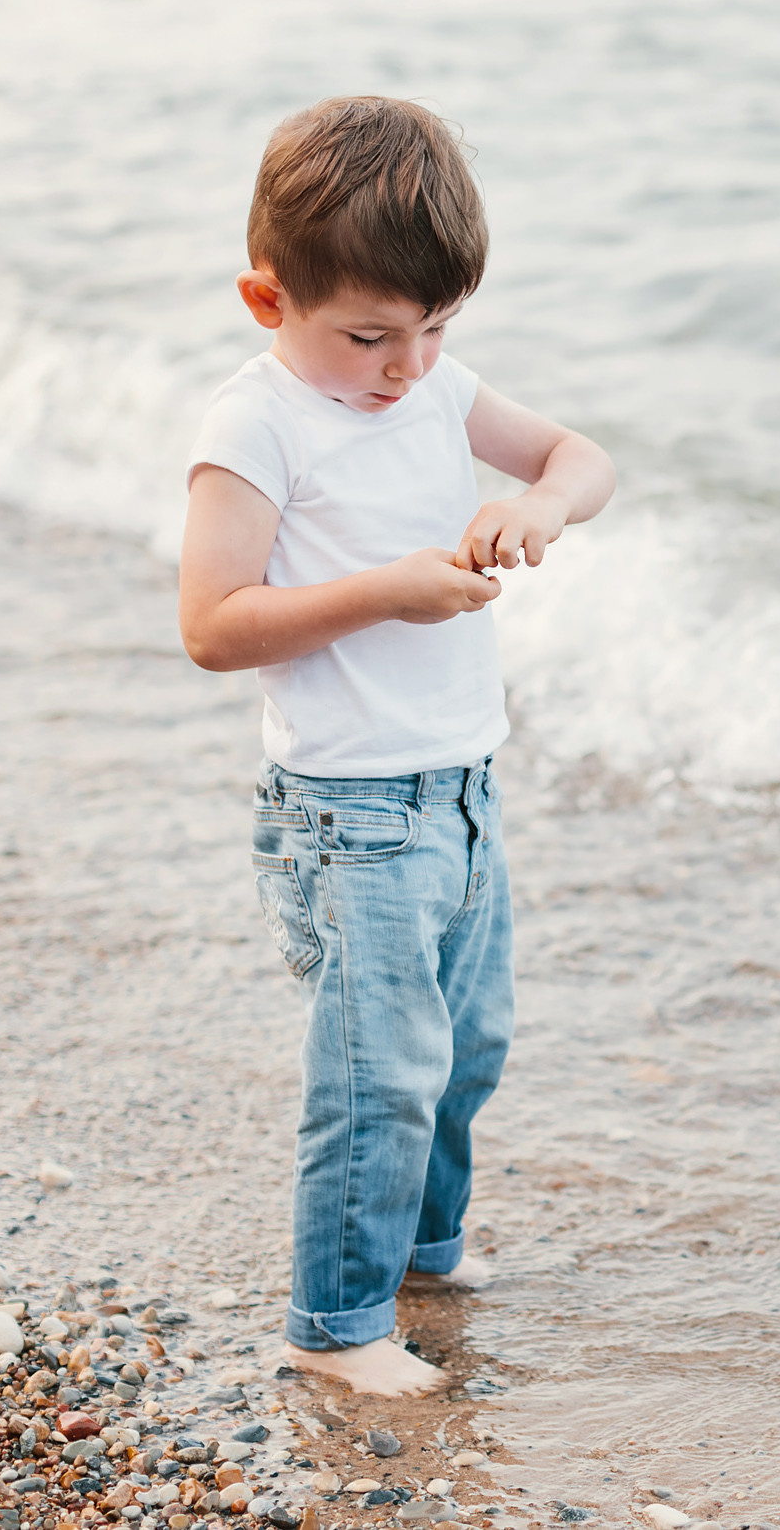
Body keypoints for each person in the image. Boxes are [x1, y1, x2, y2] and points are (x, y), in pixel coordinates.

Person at [177, 96, 614, 1396]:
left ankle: (421, 1249)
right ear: (270, 301)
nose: (408, 364)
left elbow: (585, 456)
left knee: (469, 1046)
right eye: (370, 334)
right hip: (351, 814)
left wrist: (536, 504)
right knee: (378, 1072)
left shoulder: (430, 388)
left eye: (435, 329)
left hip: (465, 794)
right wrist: (388, 589)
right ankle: (337, 1327)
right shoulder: (254, 428)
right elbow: (213, 624)